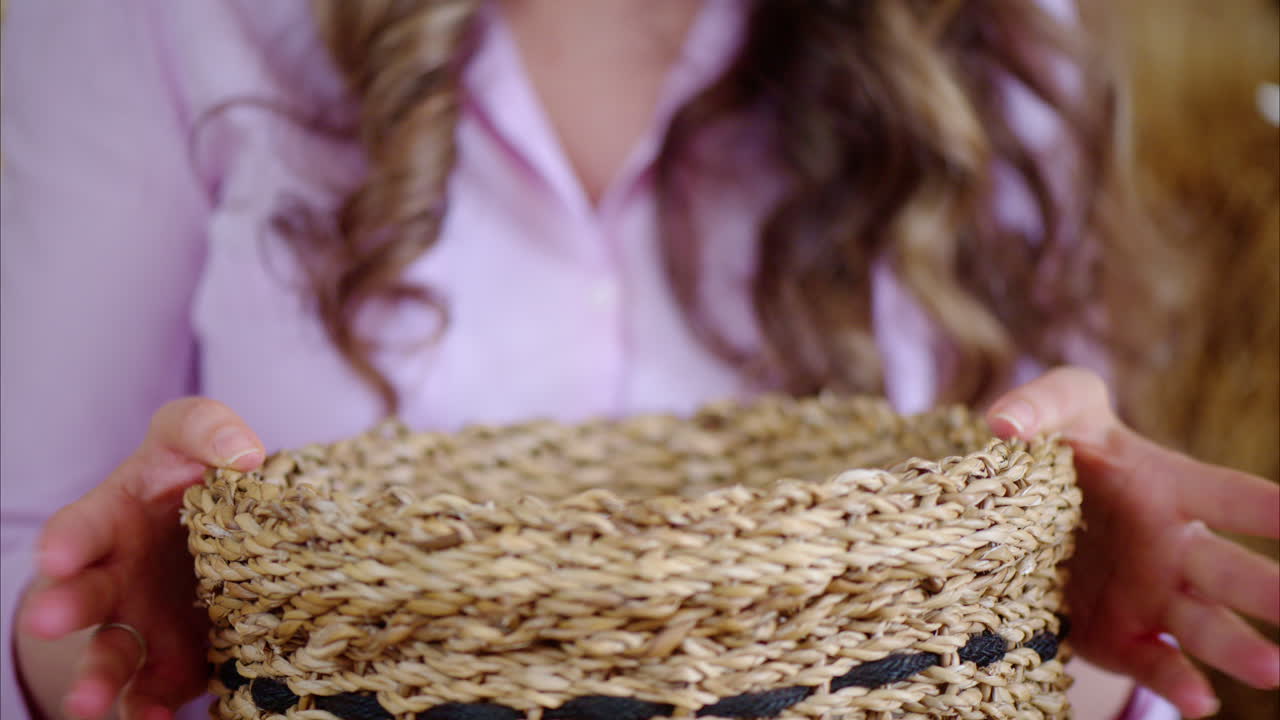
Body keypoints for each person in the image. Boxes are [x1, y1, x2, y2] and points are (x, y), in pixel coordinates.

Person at [2, 1, 1276, 719]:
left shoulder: (991, 45)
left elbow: (1030, 632)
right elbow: (31, 545)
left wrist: (1079, 610)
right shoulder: (149, 24)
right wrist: (107, 637)